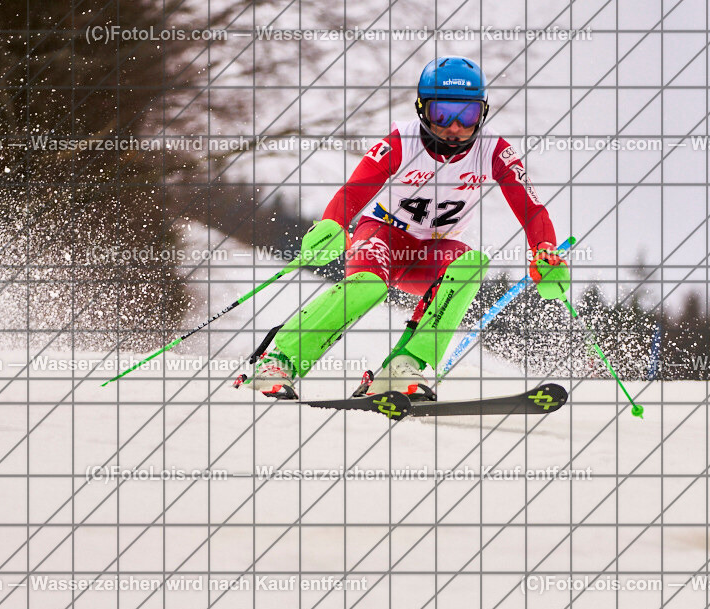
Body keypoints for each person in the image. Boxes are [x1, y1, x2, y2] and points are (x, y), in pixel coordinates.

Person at [241, 55, 565, 400]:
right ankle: (279, 360)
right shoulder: (401, 141)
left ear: (482, 113)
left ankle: (402, 366)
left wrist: (544, 250)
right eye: (443, 113)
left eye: (467, 115)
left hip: (432, 254)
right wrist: (333, 224)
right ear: (422, 110)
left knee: (473, 264)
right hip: (383, 236)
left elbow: (532, 209)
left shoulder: (494, 150)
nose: (455, 127)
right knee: (366, 287)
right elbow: (354, 191)